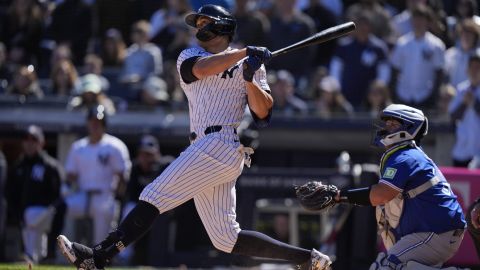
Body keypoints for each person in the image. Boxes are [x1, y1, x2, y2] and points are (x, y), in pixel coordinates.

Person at [57, 4, 331, 270]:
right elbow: (200, 70)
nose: (198, 27)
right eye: (198, 23)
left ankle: (99, 256)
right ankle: (308, 259)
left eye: (204, 23)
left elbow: (262, 112)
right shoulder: (189, 54)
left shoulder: (251, 65)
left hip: (222, 144)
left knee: (153, 194)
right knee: (226, 238)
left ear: (222, 27)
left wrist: (249, 77)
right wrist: (244, 54)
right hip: (204, 145)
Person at [327, 104, 466, 269]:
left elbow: (381, 194)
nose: (386, 128)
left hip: (437, 231)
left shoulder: (405, 156)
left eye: (393, 125)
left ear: (409, 128)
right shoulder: (405, 154)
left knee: (386, 266)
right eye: (387, 124)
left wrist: (339, 196)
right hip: (436, 231)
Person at [62, 105, 131, 245]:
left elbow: (122, 175)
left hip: (104, 196)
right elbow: (70, 174)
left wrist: (118, 197)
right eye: (92, 121)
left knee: (101, 238)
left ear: (104, 124)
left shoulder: (115, 145)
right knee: (63, 209)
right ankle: (64, 251)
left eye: (98, 122)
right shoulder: (78, 146)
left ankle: (99, 259)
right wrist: (66, 189)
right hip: (82, 194)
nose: (94, 125)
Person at [6, 125, 65, 263]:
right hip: (25, 216)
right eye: (26, 139)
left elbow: (58, 195)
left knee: (31, 215)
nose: (29, 143)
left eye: (33, 139)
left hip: (47, 213)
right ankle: (34, 256)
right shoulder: (18, 166)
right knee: (29, 222)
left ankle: (40, 254)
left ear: (41, 143)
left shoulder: (50, 166)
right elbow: (11, 194)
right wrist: (17, 214)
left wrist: (51, 211)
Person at [449, 50, 480, 167]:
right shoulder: (461, 89)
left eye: (478, 68)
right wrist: (464, 103)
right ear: (467, 70)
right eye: (472, 68)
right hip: (462, 151)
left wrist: (474, 102)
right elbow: (453, 117)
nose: (475, 71)